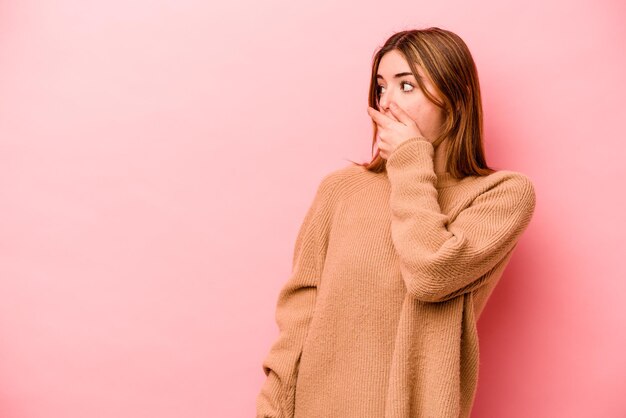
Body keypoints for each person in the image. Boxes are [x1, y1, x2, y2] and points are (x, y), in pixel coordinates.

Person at [256, 27, 536, 418]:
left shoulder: (501, 195)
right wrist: (273, 409)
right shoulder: (341, 190)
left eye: (406, 86)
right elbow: (299, 313)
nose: (386, 103)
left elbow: (430, 274)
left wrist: (410, 159)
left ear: (456, 98)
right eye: (381, 87)